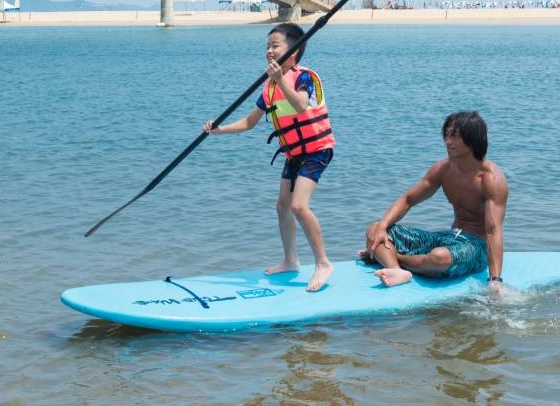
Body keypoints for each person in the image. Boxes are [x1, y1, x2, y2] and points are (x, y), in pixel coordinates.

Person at [202, 23, 336, 292]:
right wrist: (219, 129)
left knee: (299, 206)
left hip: (316, 150)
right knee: (282, 206)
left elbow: (299, 104)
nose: (269, 51)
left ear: (294, 52)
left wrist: (279, 80)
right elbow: (250, 122)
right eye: (267, 47)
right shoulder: (269, 88)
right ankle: (291, 260)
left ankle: (323, 263)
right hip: (294, 153)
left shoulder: (304, 77)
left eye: (275, 46)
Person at [362, 111, 508, 293]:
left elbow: (493, 231)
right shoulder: (443, 169)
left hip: (475, 248)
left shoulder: (490, 179)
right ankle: (397, 271)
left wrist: (495, 280)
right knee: (374, 229)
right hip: (448, 237)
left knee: (439, 257)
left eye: (454, 136)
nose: (448, 141)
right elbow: (408, 199)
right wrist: (383, 226)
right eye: (446, 135)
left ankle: (388, 257)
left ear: (472, 139)